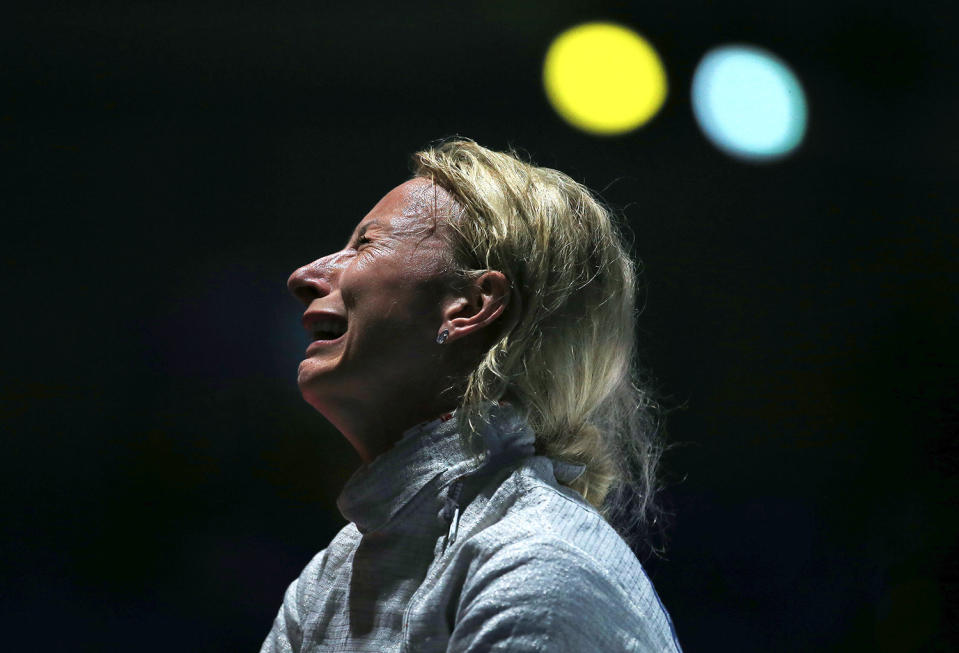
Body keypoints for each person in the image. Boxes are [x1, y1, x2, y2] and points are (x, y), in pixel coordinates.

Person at [261, 138, 682, 652]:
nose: (304, 276)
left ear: (471, 305)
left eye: (366, 244)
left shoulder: (536, 565)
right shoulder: (330, 580)